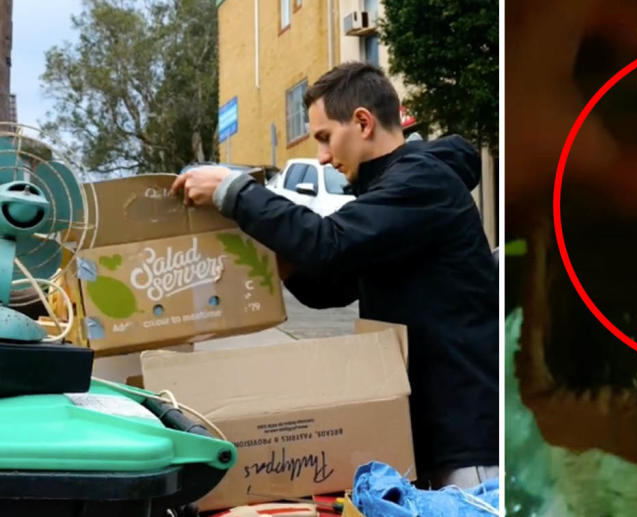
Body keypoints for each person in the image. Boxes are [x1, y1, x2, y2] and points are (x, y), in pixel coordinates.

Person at [171, 62, 498, 489]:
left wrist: (234, 191)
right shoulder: (394, 191)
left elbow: (327, 241)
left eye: (325, 138)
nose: (323, 157)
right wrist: (271, 253)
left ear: (362, 122)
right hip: (427, 434)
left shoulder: (422, 182)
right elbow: (330, 286)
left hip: (465, 445)